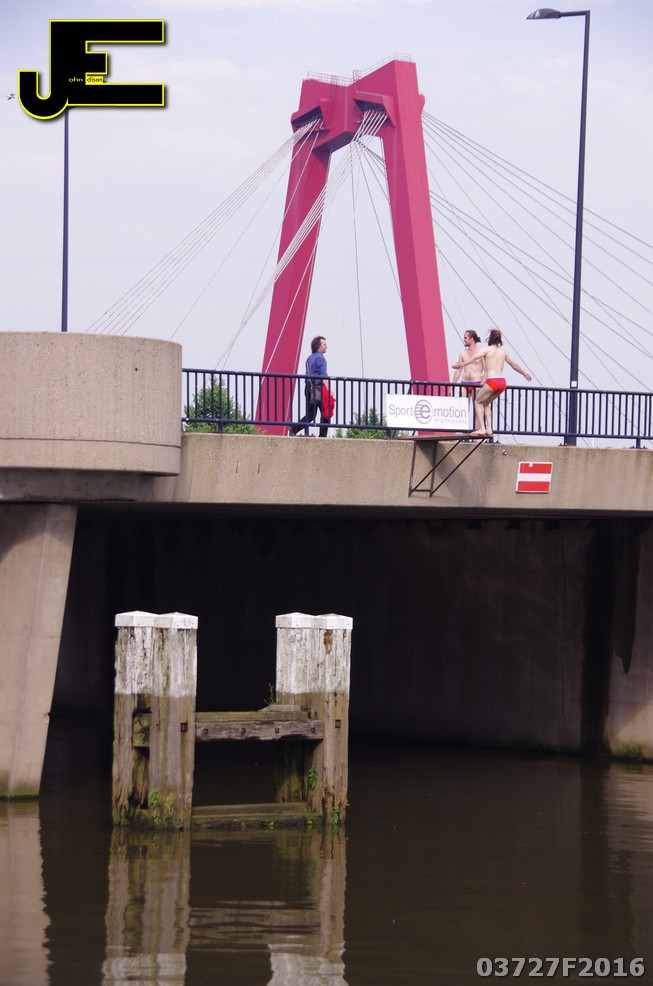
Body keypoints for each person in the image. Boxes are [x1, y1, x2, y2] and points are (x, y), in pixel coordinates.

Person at [452, 328, 532, 438]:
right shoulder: (503, 352)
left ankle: (482, 429)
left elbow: (474, 358)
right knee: (486, 403)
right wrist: (524, 373)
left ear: (490, 338)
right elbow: (513, 364)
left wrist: (461, 364)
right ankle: (489, 429)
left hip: (492, 382)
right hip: (502, 383)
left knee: (477, 402)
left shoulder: (487, 350)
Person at [291, 335, 333, 437]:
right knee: (326, 414)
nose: (326, 346)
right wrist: (329, 390)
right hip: (318, 389)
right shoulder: (321, 358)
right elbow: (323, 376)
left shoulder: (309, 358)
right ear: (319, 346)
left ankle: (293, 429)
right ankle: (322, 437)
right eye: (324, 344)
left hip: (308, 388)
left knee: (310, 415)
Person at [452, 329, 484, 398]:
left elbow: (486, 370)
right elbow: (458, 370)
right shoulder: (463, 353)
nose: (464, 340)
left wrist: (482, 384)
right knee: (463, 403)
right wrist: (453, 384)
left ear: (471, 339)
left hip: (476, 382)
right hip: (464, 383)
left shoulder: (481, 352)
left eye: (465, 338)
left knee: (476, 403)